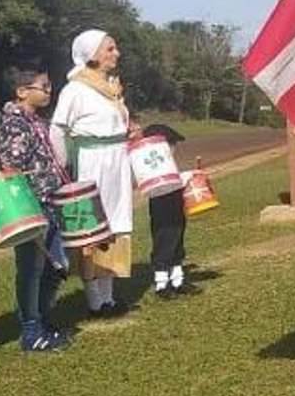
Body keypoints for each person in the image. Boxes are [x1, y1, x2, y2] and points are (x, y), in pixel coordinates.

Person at [50, 30, 135, 318]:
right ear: (92, 54)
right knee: (92, 227)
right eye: (110, 49)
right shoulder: (75, 90)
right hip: (91, 163)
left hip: (116, 164)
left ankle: (109, 297)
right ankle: (94, 302)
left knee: (115, 223)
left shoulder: (112, 89)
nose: (116, 54)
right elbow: (57, 130)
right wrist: (64, 169)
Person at [0, 66, 70, 351]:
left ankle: (45, 318)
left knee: (57, 265)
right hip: (31, 206)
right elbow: (12, 167)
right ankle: (31, 331)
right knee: (31, 269)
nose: (49, 91)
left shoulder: (37, 121)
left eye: (50, 86)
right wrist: (25, 208)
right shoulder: (14, 124)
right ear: (22, 91)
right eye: (44, 86)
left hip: (51, 201)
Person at [141, 124, 199, 299]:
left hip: (176, 210)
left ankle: (177, 280)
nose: (173, 149)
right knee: (164, 243)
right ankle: (161, 283)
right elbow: (167, 185)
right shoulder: (153, 169)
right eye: (171, 145)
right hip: (163, 213)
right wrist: (187, 176)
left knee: (177, 243)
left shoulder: (168, 165)